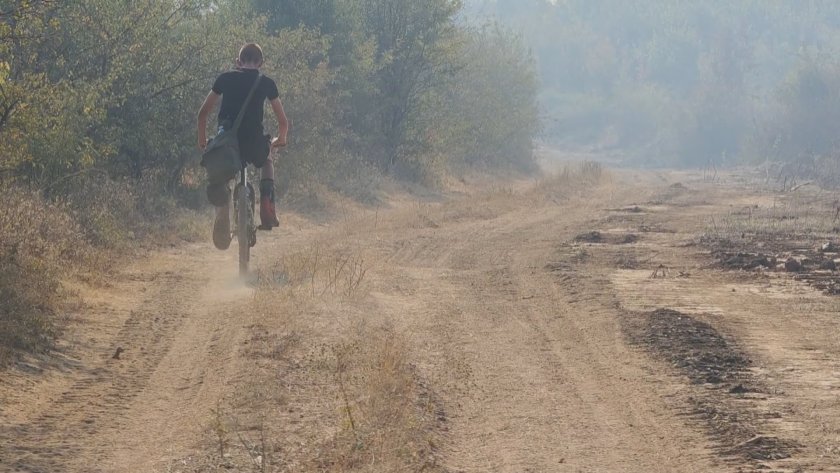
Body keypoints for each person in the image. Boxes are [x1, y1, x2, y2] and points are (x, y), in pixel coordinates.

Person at [196, 42, 289, 250]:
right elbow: (283, 121)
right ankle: (267, 204)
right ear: (261, 63)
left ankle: (222, 212)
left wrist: (203, 142)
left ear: (238, 62)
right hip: (254, 143)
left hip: (228, 145)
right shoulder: (266, 83)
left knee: (221, 173)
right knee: (266, 159)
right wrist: (280, 140)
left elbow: (203, 114)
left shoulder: (224, 79)